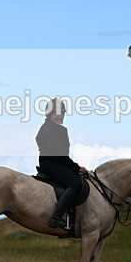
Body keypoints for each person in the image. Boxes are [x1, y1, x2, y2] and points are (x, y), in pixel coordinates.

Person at [36, 97, 88, 229]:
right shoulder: (48, 129)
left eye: (62, 113)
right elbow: (60, 156)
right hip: (51, 163)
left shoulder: (59, 129)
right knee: (75, 184)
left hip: (58, 162)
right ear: (50, 114)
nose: (60, 116)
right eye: (57, 113)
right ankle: (56, 217)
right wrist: (76, 168)